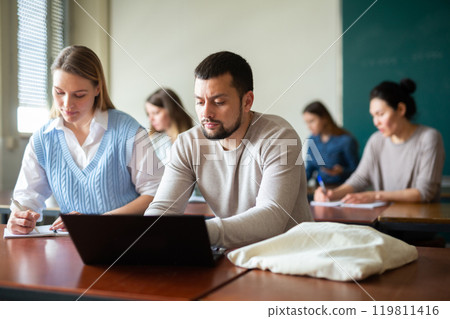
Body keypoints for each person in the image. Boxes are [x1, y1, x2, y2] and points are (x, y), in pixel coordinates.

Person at [144, 51, 313, 248]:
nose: (206, 112)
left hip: (290, 257)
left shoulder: (279, 138)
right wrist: (149, 231)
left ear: (247, 101)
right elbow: (164, 208)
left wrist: (195, 232)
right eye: (199, 101)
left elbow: (272, 216)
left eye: (219, 102)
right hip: (233, 257)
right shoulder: (187, 143)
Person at [7, 45, 163, 235]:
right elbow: (26, 199)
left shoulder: (129, 131)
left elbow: (157, 193)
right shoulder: (42, 139)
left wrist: (99, 222)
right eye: (59, 92)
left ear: (98, 88)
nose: (67, 104)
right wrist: (20, 216)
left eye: (79, 95)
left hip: (125, 241)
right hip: (72, 246)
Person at [314, 78, 445, 203]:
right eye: (373, 116)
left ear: (400, 109)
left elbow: (424, 192)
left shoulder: (429, 138)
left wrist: (376, 196)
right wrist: (333, 193)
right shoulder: (376, 140)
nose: (376, 122)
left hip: (419, 221)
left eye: (381, 114)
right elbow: (360, 178)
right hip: (383, 219)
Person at [303, 101, 359, 185]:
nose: (309, 127)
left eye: (312, 121)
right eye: (307, 123)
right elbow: (309, 169)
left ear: (324, 118)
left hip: (342, 189)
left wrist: (342, 171)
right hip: (320, 189)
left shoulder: (346, 140)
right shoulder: (312, 140)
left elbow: (358, 172)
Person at [145, 88, 193, 164]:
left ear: (171, 110)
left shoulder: (193, 139)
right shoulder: (153, 142)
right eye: (148, 114)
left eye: (155, 113)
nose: (150, 119)